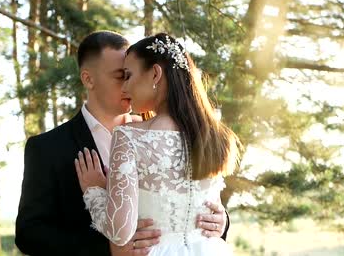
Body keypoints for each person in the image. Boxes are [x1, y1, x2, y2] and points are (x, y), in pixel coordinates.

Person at [15, 31, 230, 256]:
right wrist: (109, 248)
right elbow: (29, 233)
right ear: (88, 79)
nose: (128, 86)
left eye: (131, 74)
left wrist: (221, 222)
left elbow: (196, 206)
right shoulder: (47, 147)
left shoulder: (171, 133)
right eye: (121, 75)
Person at [75, 33, 239, 255]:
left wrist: (94, 191)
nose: (125, 88)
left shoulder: (129, 136)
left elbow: (120, 232)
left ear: (155, 74)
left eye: (129, 75)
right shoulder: (216, 135)